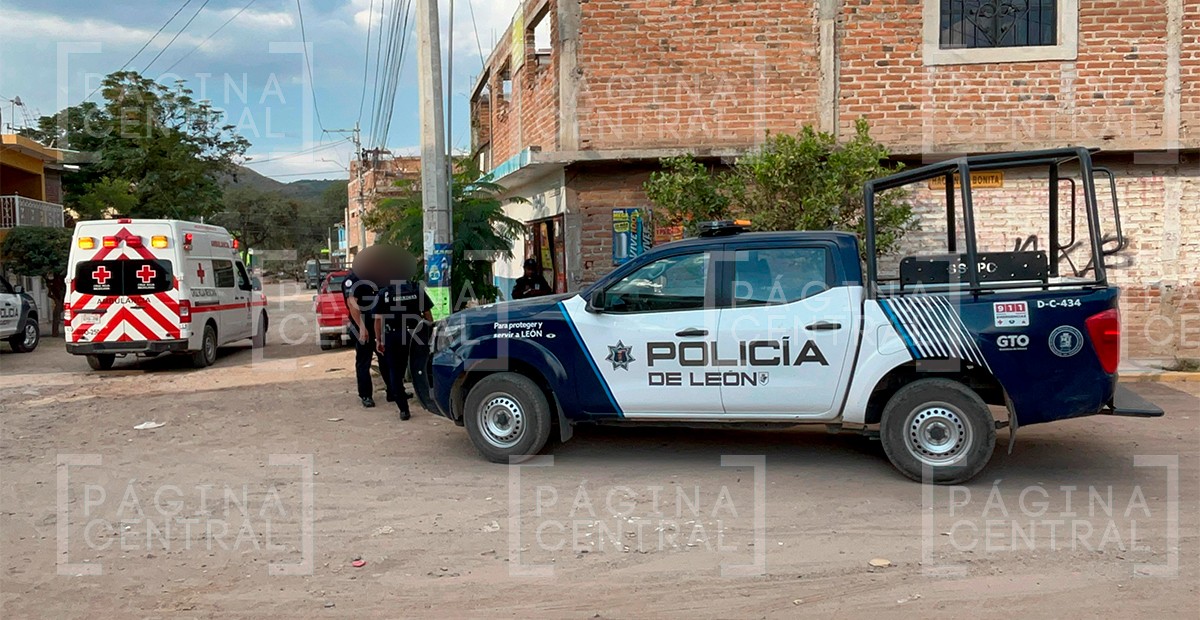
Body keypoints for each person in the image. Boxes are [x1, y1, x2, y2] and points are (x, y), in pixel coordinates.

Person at [375, 280, 434, 420]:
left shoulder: (385, 292)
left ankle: (403, 409)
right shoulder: (414, 289)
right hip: (415, 334)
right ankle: (429, 400)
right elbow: (427, 313)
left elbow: (378, 319)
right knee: (422, 367)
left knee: (395, 373)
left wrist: (379, 340)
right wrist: (430, 333)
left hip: (394, 336)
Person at [343, 270, 393, 408]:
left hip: (378, 324)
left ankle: (392, 391)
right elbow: (352, 304)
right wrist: (362, 327)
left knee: (386, 358)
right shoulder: (353, 279)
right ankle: (366, 395)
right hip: (362, 324)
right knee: (364, 361)